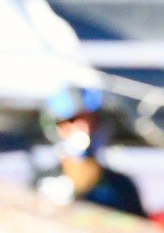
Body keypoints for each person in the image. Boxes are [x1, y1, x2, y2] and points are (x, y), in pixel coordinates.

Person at [36, 85, 147, 218]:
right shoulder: (41, 184)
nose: (84, 128)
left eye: (90, 120)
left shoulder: (122, 187)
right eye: (72, 120)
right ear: (56, 127)